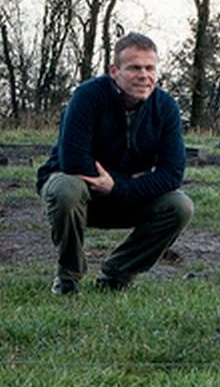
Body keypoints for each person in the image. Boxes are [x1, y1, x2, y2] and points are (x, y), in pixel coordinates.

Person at [35, 32, 193, 295]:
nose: (144, 75)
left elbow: (172, 174)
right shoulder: (87, 96)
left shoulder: (166, 107)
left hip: (125, 196)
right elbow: (73, 160)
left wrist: (119, 187)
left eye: (150, 68)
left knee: (180, 205)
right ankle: (68, 277)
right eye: (134, 68)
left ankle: (118, 274)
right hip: (81, 195)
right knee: (66, 187)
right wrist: (133, 181)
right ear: (114, 71)